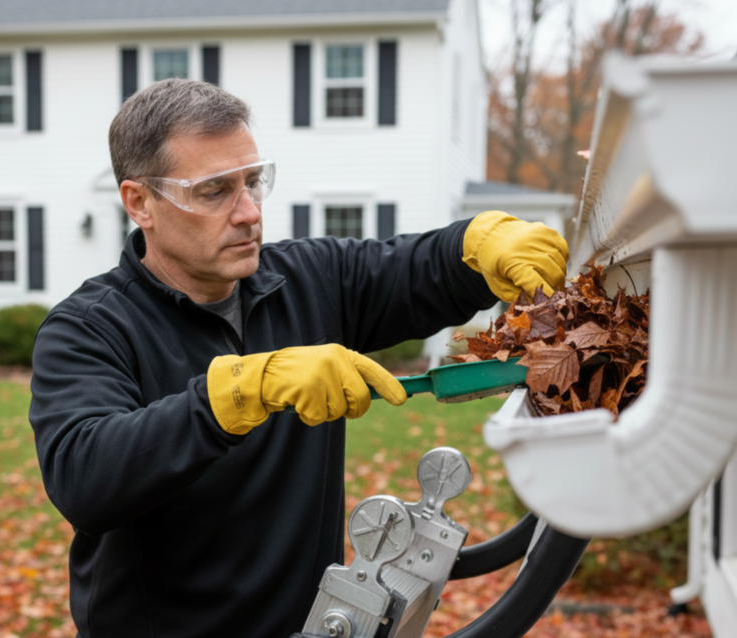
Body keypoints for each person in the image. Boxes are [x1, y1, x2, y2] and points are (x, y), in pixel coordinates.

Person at [29, 78, 568, 638]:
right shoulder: (89, 328)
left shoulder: (309, 280)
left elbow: (420, 268)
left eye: (252, 182)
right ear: (140, 202)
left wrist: (477, 244)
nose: (247, 212)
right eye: (214, 191)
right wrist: (238, 392)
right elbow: (83, 477)